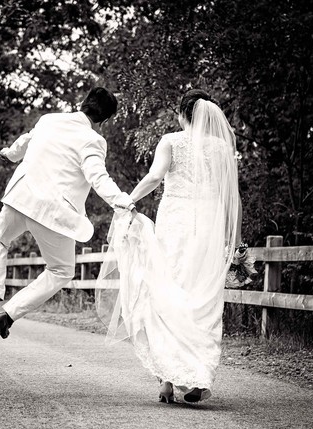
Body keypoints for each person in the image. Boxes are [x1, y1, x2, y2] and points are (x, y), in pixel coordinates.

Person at [95, 88, 242, 404]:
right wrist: (235, 239)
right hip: (208, 225)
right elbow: (232, 199)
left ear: (181, 114)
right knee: (201, 297)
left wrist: (126, 200)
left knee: (166, 291)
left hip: (174, 222)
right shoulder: (221, 148)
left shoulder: (171, 141)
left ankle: (166, 380)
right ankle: (196, 377)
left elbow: (153, 177)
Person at [0, 87, 135, 339]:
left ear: (83, 103)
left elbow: (23, 143)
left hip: (21, 197)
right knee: (61, 271)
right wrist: (121, 201)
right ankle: (9, 314)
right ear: (105, 120)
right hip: (54, 212)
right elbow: (97, 177)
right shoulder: (94, 140)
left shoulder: (48, 120)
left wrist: (7, 154)